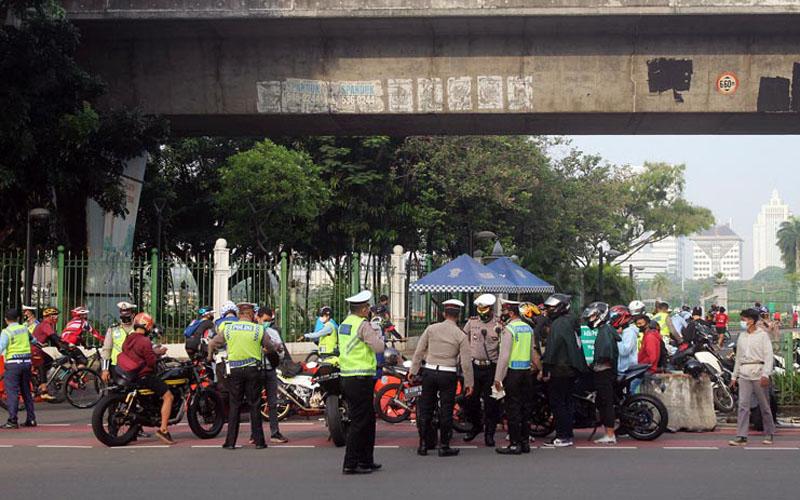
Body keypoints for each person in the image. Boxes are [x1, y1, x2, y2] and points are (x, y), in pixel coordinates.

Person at [410, 298, 473, 457]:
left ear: (444, 313)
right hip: (448, 373)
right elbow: (466, 362)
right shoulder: (461, 335)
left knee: (425, 409)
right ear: (458, 315)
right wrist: (469, 383)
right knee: (446, 409)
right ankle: (444, 446)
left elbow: (419, 351)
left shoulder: (431, 329)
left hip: (429, 372)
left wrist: (413, 370)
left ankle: (423, 445)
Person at [207, 302, 275, 449]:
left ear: (239, 315)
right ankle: (259, 442)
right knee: (255, 404)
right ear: (251, 315)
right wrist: (266, 350)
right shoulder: (258, 329)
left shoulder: (229, 328)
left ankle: (230, 442)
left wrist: (209, 357)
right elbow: (270, 346)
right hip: (253, 370)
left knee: (234, 405)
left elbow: (212, 343)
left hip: (234, 370)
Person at [338, 290, 384, 474]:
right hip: (360, 378)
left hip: (348, 376)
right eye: (368, 308)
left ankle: (366, 460)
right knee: (359, 421)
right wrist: (379, 335)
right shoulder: (363, 325)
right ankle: (351, 463)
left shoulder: (344, 323)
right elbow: (379, 347)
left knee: (368, 419)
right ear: (364, 309)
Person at [115, 312, 175, 444]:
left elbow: (132, 353)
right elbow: (151, 362)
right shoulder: (145, 341)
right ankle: (164, 430)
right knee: (168, 396)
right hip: (144, 375)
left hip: (129, 375)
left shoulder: (128, 338)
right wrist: (158, 353)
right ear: (147, 326)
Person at [540, 293, 587, 448]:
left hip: (560, 369)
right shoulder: (571, 321)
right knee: (567, 402)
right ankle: (567, 434)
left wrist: (545, 369)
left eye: (552, 307)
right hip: (571, 369)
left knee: (558, 403)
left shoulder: (559, 324)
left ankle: (562, 436)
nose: (549, 310)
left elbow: (552, 349)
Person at [494, 299, 538, 455]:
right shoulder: (528, 328)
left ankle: (514, 443)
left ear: (511, 313)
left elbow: (504, 357)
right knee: (526, 409)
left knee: (513, 409)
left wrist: (498, 378)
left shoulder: (509, 329)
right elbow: (533, 352)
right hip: (527, 373)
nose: (503, 316)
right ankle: (525, 442)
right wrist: (540, 368)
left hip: (513, 373)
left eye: (504, 312)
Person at [729, 308, 776, 446]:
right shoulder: (742, 336)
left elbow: (768, 356)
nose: (743, 321)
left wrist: (766, 374)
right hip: (744, 373)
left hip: (759, 372)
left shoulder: (762, 335)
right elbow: (738, 358)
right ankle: (741, 435)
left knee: (764, 405)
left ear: (752, 320)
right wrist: (734, 376)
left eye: (745, 319)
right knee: (743, 405)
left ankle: (769, 433)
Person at [462, 293, 502, 447]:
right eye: (480, 311)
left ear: (491, 309)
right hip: (474, 366)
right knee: (470, 399)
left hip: (491, 367)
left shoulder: (498, 324)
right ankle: (475, 425)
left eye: (485, 311)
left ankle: (489, 434)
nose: (482, 314)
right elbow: (463, 340)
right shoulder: (472, 323)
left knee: (492, 401)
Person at [582, 302, 619, 445]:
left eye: (592, 316)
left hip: (604, 373)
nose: (589, 319)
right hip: (603, 372)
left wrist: (594, 363)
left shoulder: (605, 332)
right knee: (603, 402)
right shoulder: (605, 330)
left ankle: (610, 434)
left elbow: (605, 354)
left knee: (605, 403)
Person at [255, 306, 288, 444]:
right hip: (256, 370)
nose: (267, 322)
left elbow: (281, 352)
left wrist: (274, 351)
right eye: (265, 320)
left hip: (270, 370)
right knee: (255, 403)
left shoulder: (273, 333)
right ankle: (255, 434)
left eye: (269, 320)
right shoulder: (253, 332)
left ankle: (275, 432)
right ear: (258, 317)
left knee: (273, 403)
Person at [0, 309, 37, 428]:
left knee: (12, 393)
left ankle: (12, 420)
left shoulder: (6, 332)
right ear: (18, 319)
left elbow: (1, 347)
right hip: (26, 363)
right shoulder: (24, 329)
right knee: (26, 391)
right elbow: (34, 340)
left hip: (13, 364)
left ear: (6, 319)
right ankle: (31, 419)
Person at [100, 302, 137, 384]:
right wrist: (105, 369)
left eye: (127, 315)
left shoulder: (138, 329)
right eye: (122, 315)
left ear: (133, 315)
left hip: (135, 367)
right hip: (116, 367)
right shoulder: (113, 329)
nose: (124, 318)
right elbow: (107, 349)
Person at [31, 307, 62, 399]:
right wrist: (64, 345)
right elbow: (54, 337)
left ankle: (38, 378)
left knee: (51, 360)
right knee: (42, 364)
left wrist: (59, 347)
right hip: (35, 351)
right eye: (55, 315)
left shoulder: (46, 325)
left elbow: (53, 340)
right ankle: (44, 390)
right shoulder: (45, 325)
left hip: (38, 350)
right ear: (50, 316)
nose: (57, 317)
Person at [613, 305, 637, 374]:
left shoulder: (630, 332)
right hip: (621, 369)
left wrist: (617, 336)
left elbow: (624, 351)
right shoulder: (623, 331)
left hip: (628, 370)